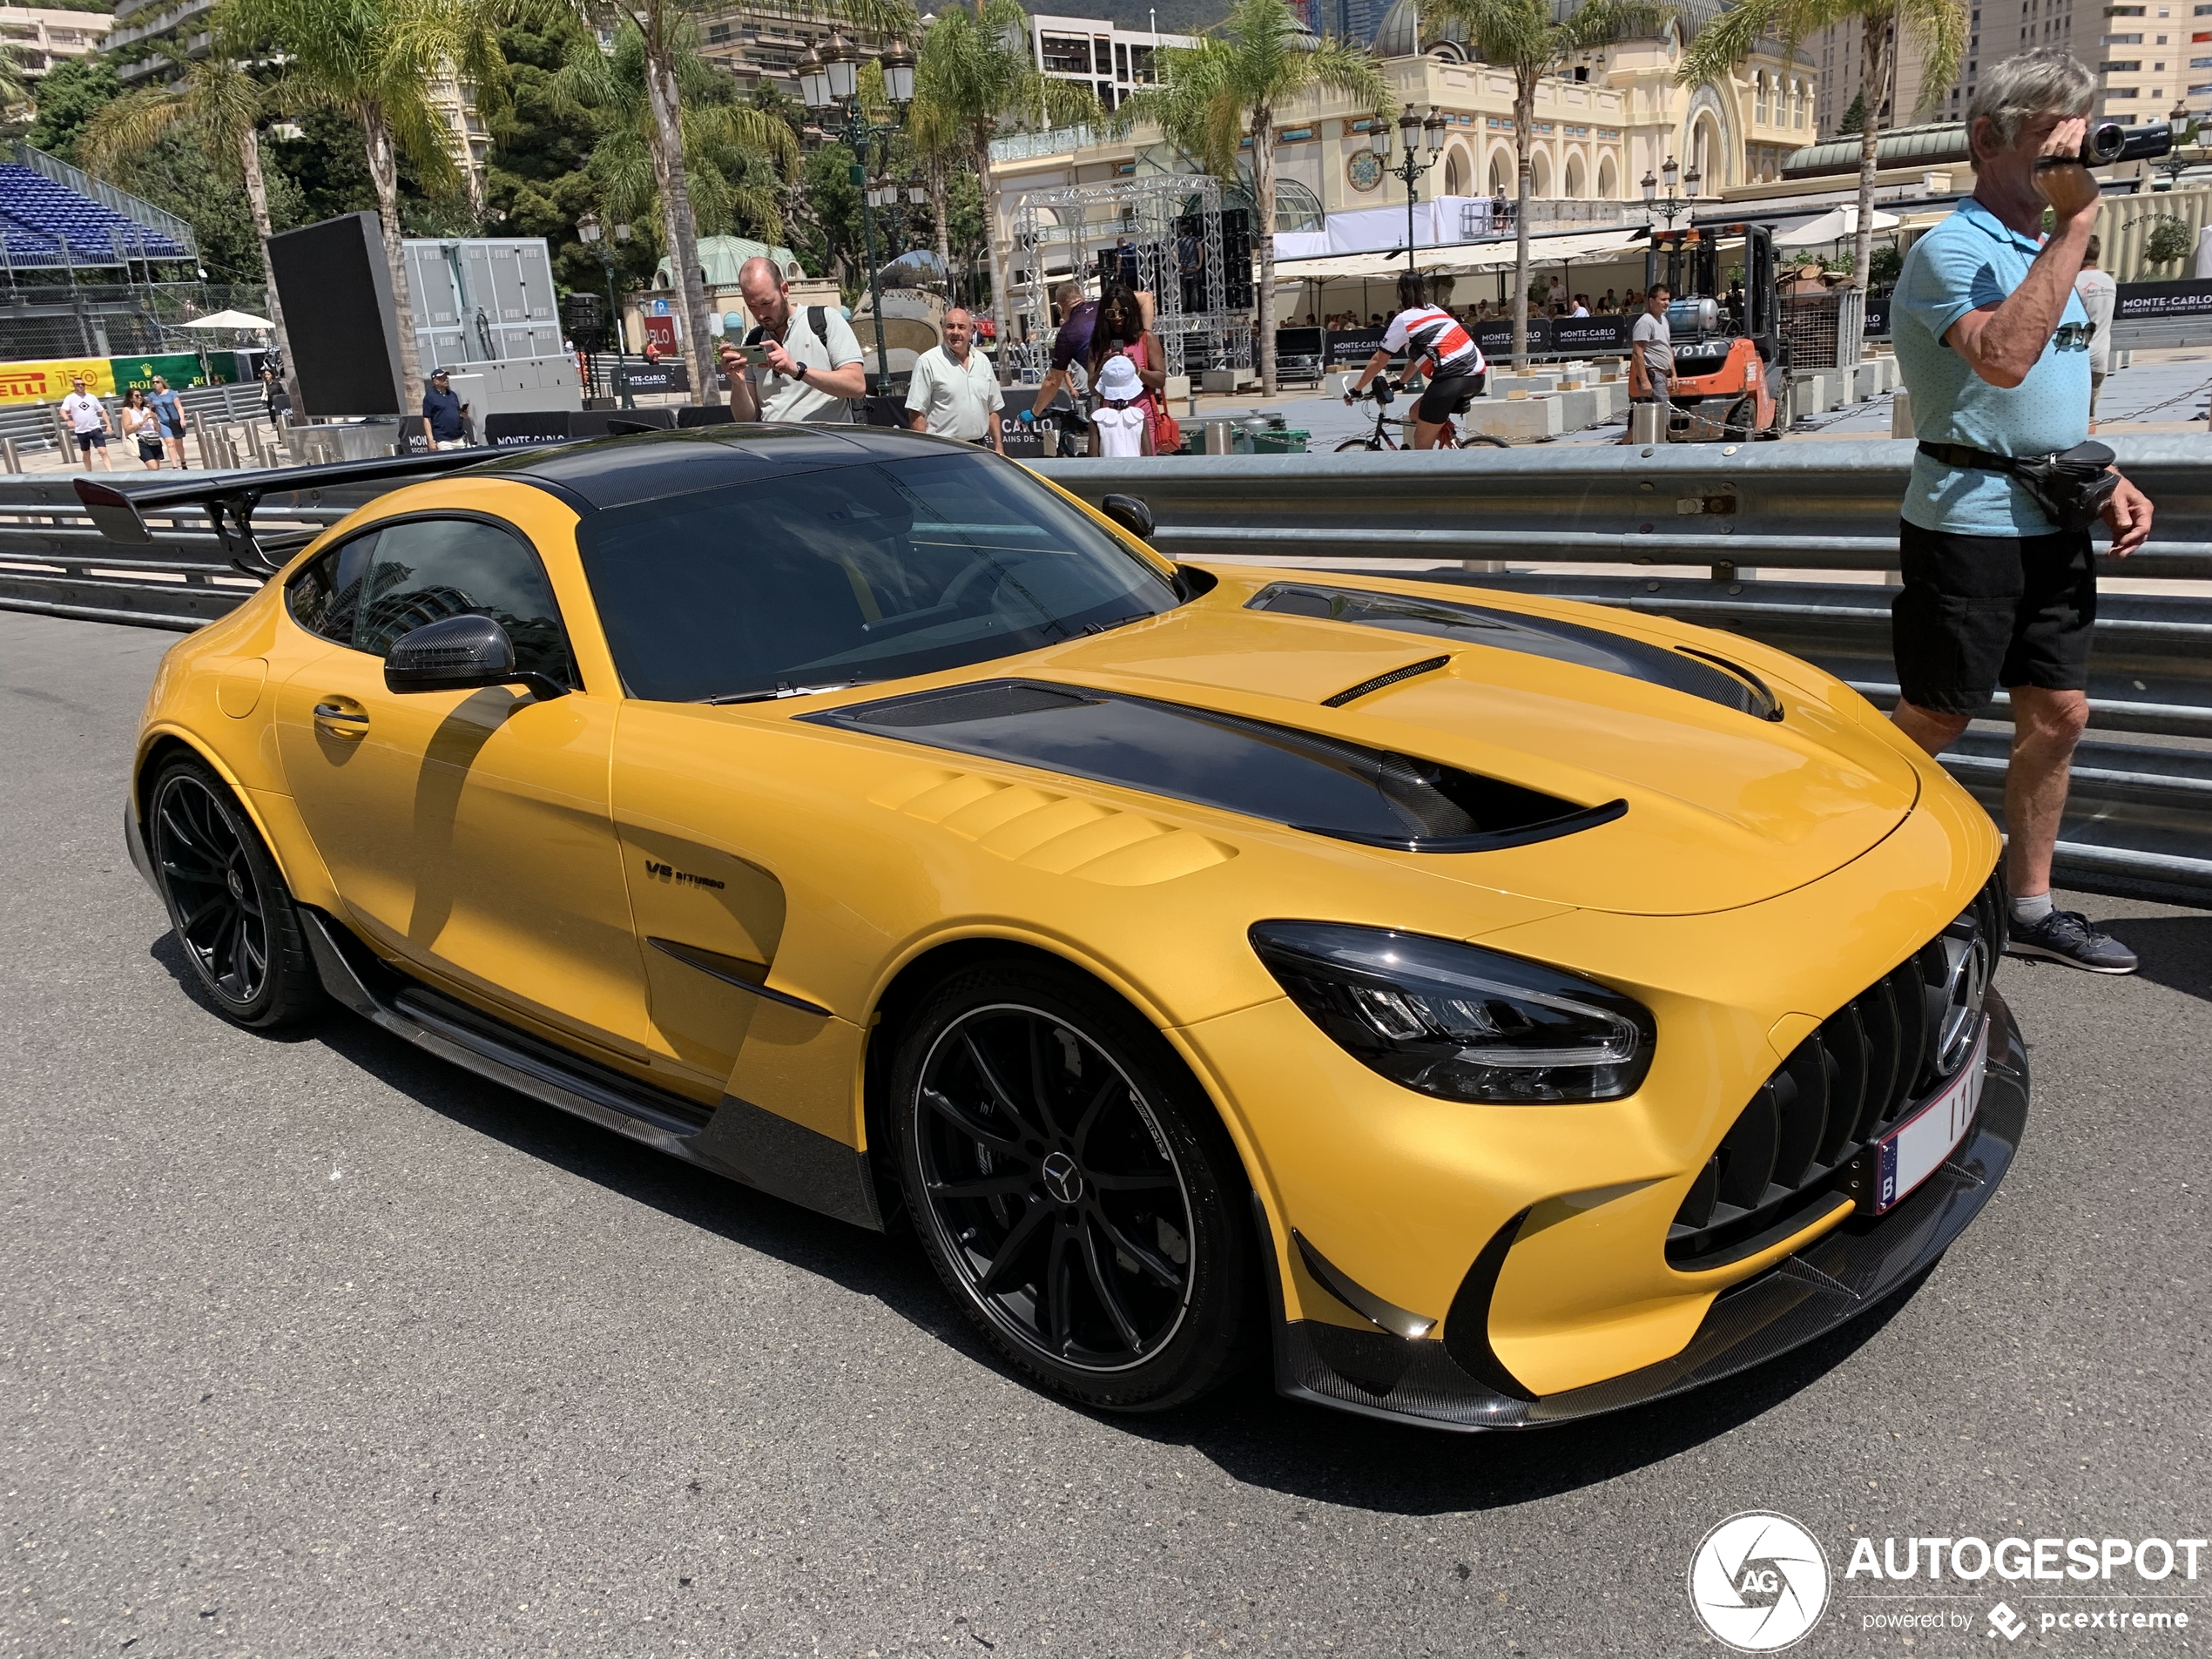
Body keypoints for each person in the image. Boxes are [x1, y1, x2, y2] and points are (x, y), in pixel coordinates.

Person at [1889, 48, 2153, 973]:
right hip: (1964, 523)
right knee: (1935, 716)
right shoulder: (1949, 250)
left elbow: (2050, 393)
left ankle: (2030, 905)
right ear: (1983, 139)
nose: (2069, 158)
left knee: (2059, 713)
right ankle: (1873, 878)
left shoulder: (2048, 247)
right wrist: (2075, 223)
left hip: (2052, 518)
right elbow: (1999, 359)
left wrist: (2099, 474)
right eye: (2049, 136)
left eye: (2077, 139)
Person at [1345, 270, 1487, 450]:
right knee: (1415, 412)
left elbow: (1378, 361)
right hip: (1477, 377)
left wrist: (1356, 390)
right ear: (1423, 292)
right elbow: (1418, 357)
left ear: (1400, 295)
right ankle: (1450, 441)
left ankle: (1435, 472)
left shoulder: (1404, 320)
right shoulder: (1436, 310)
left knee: (1421, 447)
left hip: (1450, 379)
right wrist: (1401, 382)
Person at [718, 255, 867, 422]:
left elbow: (857, 386)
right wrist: (738, 383)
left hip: (828, 444)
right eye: (752, 306)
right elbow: (745, 419)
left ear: (784, 290)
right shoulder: (753, 339)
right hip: (776, 445)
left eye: (766, 303)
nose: (760, 314)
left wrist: (797, 370)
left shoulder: (825, 321)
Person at [905, 306, 1005, 452]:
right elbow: (916, 412)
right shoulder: (927, 362)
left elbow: (992, 410)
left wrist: (998, 447)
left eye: (961, 327)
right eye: (950, 327)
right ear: (943, 328)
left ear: (972, 331)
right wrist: (923, 452)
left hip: (979, 448)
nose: (956, 332)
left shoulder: (983, 361)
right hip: (943, 450)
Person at [1027, 280, 1100, 421]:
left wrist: (1034, 412)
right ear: (1082, 298)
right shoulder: (1102, 306)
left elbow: (1053, 380)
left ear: (1060, 308)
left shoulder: (1067, 332)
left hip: (1106, 394)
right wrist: (1146, 335)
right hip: (1137, 383)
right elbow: (1145, 297)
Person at [2074, 232, 2116, 428]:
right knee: (2090, 415)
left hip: (2077, 357)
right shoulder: (2109, 282)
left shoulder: (2074, 283)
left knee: (2074, 418)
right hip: (2101, 357)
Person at [1627, 284, 1674, 432]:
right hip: (1652, 374)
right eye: (1663, 299)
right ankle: (1660, 443)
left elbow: (1666, 348)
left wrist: (1674, 374)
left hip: (1662, 374)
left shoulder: (1663, 320)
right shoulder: (1646, 322)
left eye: (1668, 299)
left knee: (1660, 412)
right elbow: (1637, 352)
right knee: (1662, 413)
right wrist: (1645, 381)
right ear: (1652, 301)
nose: (1667, 303)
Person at [1089, 354, 1152, 456]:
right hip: (1135, 471)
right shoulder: (1139, 417)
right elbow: (1148, 456)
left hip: (1107, 471)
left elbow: (1092, 458)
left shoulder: (1097, 418)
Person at [61, 376, 112, 470]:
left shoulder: (91, 397)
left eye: (82, 384)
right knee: (86, 453)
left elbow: (102, 411)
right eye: (78, 384)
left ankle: (111, 472)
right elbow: (63, 410)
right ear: (74, 386)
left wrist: (108, 425)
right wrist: (68, 420)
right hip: (81, 430)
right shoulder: (70, 398)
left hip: (95, 428)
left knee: (102, 451)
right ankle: (89, 472)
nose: (81, 386)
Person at [421, 367, 469, 449]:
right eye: (442, 378)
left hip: (460, 438)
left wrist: (463, 415)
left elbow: (457, 413)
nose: (446, 379)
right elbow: (426, 419)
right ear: (435, 381)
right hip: (444, 441)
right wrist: (431, 440)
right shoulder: (430, 397)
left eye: (446, 377)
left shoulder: (453, 395)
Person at [118, 387, 164, 471]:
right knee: (153, 467)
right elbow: (127, 429)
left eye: (141, 395)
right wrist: (143, 422)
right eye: (136, 396)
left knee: (156, 469)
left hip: (154, 439)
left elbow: (158, 429)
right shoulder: (127, 410)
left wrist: (155, 420)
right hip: (141, 440)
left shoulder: (146, 410)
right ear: (131, 398)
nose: (140, 397)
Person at [148, 376, 187, 469]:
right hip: (162, 422)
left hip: (174, 420)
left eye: (157, 382)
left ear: (162, 383)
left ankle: (182, 461)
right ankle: (175, 466)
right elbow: (152, 409)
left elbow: (179, 407)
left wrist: (182, 419)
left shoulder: (171, 393)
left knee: (178, 443)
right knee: (170, 443)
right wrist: (154, 421)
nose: (155, 384)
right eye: (153, 382)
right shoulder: (152, 395)